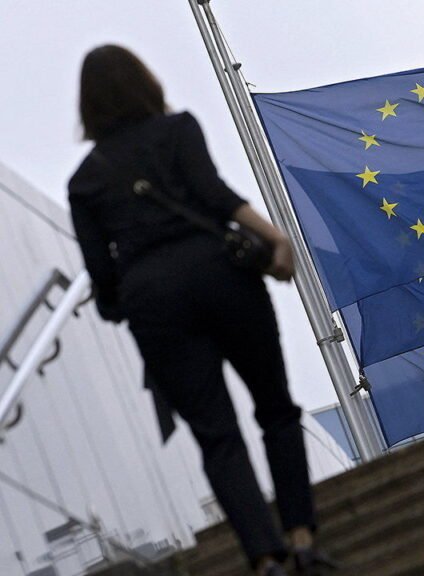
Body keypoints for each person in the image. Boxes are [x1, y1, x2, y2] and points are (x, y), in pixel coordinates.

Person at [67, 45, 336, 576]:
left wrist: (124, 303)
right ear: (146, 83)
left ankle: (264, 560)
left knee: (217, 435)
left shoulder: (84, 180)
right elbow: (215, 195)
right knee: (276, 409)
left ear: (87, 104)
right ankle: (301, 539)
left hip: (154, 302)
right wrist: (273, 236)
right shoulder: (178, 129)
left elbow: (102, 278)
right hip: (223, 276)